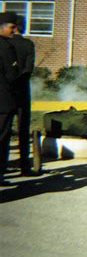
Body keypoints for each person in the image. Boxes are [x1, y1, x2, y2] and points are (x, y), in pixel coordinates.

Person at [11, 15, 36, 176]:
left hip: (5, 92)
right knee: (23, 130)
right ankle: (25, 166)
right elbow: (28, 69)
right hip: (22, 91)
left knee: (4, 130)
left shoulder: (5, 43)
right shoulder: (28, 44)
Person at [0, 12, 20, 185]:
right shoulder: (6, 47)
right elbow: (12, 75)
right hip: (4, 100)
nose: (14, 31)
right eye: (12, 27)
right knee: (2, 136)